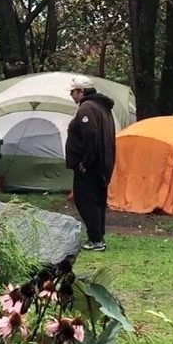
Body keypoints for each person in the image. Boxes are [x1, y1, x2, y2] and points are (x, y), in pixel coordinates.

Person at [65, 75, 116, 251]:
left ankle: (95, 239)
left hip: (91, 165)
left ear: (81, 91)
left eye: (73, 91)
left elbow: (91, 135)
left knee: (85, 200)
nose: (71, 95)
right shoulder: (101, 107)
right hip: (103, 163)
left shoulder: (87, 108)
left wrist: (85, 162)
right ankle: (98, 236)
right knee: (97, 200)